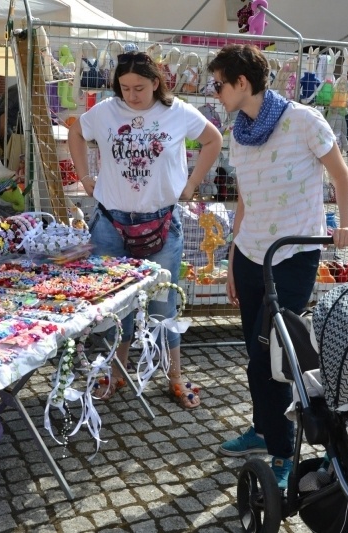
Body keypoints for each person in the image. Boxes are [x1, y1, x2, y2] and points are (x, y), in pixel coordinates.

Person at [207, 44, 348, 489]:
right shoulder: (240, 132)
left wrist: (345, 225)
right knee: (256, 356)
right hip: (253, 255)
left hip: (293, 256)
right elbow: (245, 201)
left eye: (219, 85)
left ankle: (280, 450)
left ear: (242, 83)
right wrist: (234, 258)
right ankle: (261, 429)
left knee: (271, 358)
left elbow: (341, 175)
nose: (215, 93)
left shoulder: (303, 121)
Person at [68, 50, 223, 409]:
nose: (131, 95)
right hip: (111, 224)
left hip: (162, 225)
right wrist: (85, 176)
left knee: (164, 305)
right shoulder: (105, 112)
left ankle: (175, 377)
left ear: (156, 82)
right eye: (124, 88)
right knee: (112, 306)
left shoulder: (178, 112)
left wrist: (191, 184)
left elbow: (212, 140)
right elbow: (76, 133)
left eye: (139, 87)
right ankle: (114, 372)